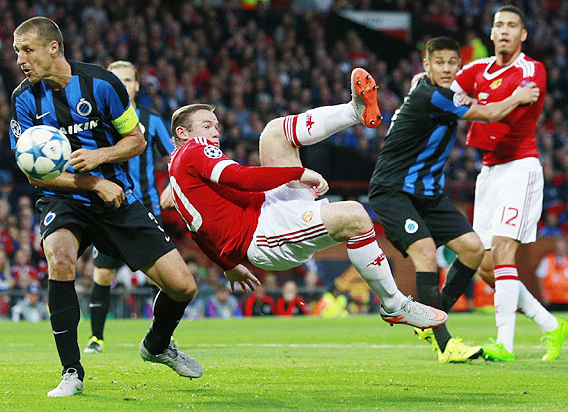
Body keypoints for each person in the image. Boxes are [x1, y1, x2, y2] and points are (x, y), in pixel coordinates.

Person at [167, 68, 449, 333]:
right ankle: (394, 304)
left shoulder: (178, 172)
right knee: (355, 215)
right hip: (264, 234)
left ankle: (355, 110)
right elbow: (241, 178)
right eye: (207, 126)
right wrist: (300, 173)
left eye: (216, 125)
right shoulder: (194, 150)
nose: (215, 132)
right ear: (184, 133)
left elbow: (198, 232)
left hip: (265, 211)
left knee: (274, 133)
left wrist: (228, 266)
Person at [9, 17, 201, 397]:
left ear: (53, 48)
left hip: (117, 197)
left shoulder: (102, 84)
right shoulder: (24, 99)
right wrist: (92, 181)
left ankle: (158, 344)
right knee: (60, 258)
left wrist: (101, 158)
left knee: (183, 287)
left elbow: (136, 141)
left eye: (26, 50)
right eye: (17, 52)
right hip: (65, 198)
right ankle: (72, 372)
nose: (20, 60)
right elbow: (32, 173)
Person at [368, 36, 540, 363]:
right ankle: (446, 345)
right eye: (439, 62)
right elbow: (487, 114)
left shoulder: (438, 91)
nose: (446, 68)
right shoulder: (431, 96)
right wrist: (518, 97)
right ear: (427, 65)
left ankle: (432, 318)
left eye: (452, 62)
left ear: (458, 65)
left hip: (428, 193)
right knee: (426, 252)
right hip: (393, 190)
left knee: (474, 249)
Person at [451, 5, 568, 361]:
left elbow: (502, 110)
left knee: (503, 252)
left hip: (521, 168)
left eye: (512, 26)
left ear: (523, 36)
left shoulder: (532, 70)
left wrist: (471, 102)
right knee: (485, 266)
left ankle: (504, 344)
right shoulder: (476, 69)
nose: (504, 31)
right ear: (490, 33)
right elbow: (445, 91)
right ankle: (551, 326)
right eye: (498, 25)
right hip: (488, 173)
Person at [84, 60, 175, 355]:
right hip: (109, 208)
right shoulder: (96, 120)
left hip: (146, 206)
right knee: (103, 275)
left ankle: (160, 337)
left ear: (137, 85)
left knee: (158, 275)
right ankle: (96, 338)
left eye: (128, 80)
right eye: (117, 79)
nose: (123, 85)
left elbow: (176, 157)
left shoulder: (152, 119)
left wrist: (173, 185)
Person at [535, 239, 568, 311]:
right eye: (558, 248)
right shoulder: (547, 260)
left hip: (567, 299)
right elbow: (539, 277)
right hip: (551, 299)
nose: (560, 250)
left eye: (562, 248)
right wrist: (543, 294)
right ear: (555, 249)